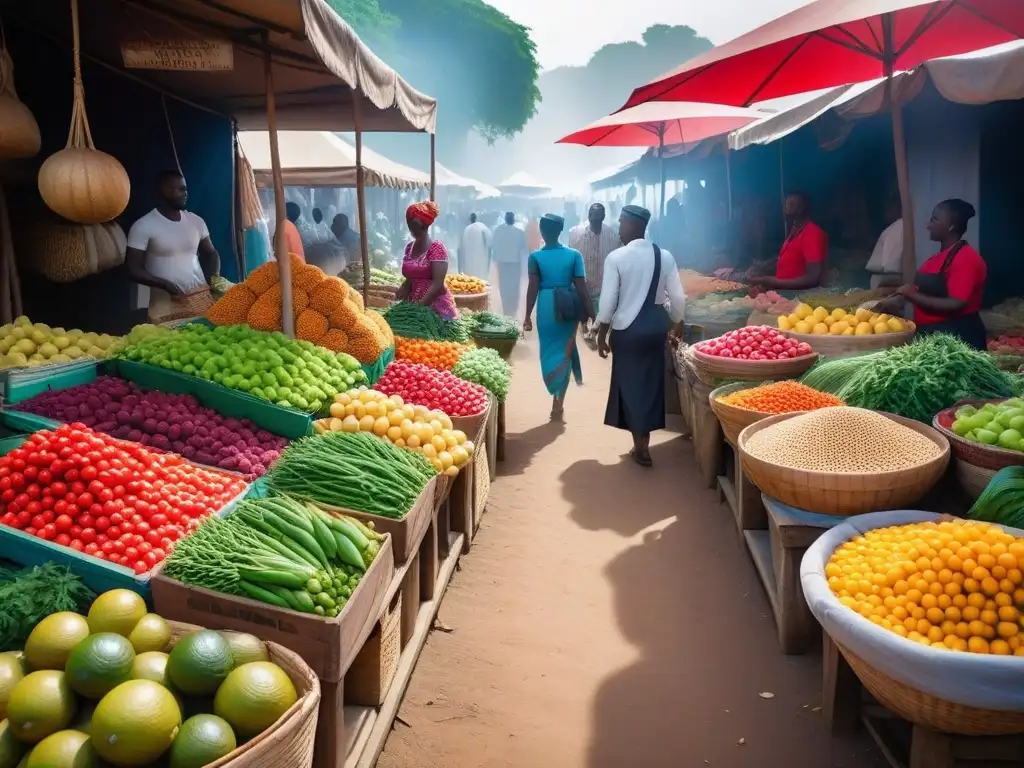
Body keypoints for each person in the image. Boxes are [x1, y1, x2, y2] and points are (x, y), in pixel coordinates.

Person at [596, 205, 686, 468]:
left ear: (635, 225)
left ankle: (642, 446)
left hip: (628, 331)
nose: (619, 228)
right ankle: (641, 444)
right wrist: (677, 321)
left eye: (622, 222)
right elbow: (678, 297)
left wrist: (602, 332)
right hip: (656, 329)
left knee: (631, 385)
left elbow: (608, 301)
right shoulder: (664, 256)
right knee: (650, 384)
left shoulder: (616, 258)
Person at [877, 199, 987, 350]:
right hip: (933, 336)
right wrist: (896, 299)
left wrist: (912, 296)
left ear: (951, 226)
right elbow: (923, 291)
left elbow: (956, 303)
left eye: (934, 219)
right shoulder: (936, 259)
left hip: (957, 340)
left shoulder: (966, 259)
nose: (928, 225)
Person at [522, 214, 594, 420]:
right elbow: (582, 288)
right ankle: (558, 401)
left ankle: (554, 392)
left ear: (542, 233)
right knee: (565, 352)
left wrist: (527, 316)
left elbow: (533, 287)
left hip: (545, 308)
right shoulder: (574, 255)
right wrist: (591, 314)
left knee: (548, 352)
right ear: (559, 231)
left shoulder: (535, 257)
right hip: (567, 307)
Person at [126, 170, 220, 321]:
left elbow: (211, 253)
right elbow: (133, 270)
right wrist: (164, 285)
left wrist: (214, 278)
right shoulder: (143, 225)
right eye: (180, 189)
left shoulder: (196, 221)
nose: (185, 193)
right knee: (171, 343)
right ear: (165, 191)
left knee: (204, 340)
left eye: (185, 189)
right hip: (165, 301)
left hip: (200, 297)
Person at [748, 191, 827, 290]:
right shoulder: (794, 232)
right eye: (785, 204)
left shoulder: (811, 233)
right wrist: (762, 267)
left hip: (802, 297)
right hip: (786, 293)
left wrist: (772, 281)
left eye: (792, 204)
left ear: (803, 208)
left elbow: (812, 278)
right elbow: (787, 259)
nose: (787, 209)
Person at [567, 203, 621, 341]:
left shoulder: (612, 236)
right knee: (582, 321)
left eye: (599, 218)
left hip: (602, 287)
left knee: (600, 321)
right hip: (582, 286)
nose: (596, 221)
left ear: (604, 217)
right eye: (593, 217)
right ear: (589, 216)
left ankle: (595, 341)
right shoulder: (575, 234)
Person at [397, 201, 458, 320]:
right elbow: (411, 277)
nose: (411, 227)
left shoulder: (436, 248)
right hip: (413, 303)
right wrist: (403, 291)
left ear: (424, 225)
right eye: (409, 223)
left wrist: (420, 306)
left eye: (414, 223)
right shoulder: (409, 247)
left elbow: (437, 283)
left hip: (434, 307)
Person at [491, 211, 529, 318]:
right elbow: (525, 249)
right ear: (513, 220)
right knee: (515, 286)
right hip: (515, 264)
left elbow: (494, 246)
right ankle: (513, 309)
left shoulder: (498, 231)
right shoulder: (520, 232)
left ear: (505, 219)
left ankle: (506, 308)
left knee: (503, 286)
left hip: (502, 263)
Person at [865, 196, 903, 289]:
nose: (886, 208)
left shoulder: (898, 228)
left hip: (886, 293)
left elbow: (890, 272)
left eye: (891, 203)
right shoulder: (896, 227)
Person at [458, 213, 492, 280]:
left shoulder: (467, 229)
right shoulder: (482, 227)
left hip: (468, 259)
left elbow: (461, 247)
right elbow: (489, 241)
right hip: (481, 258)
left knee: (470, 277)